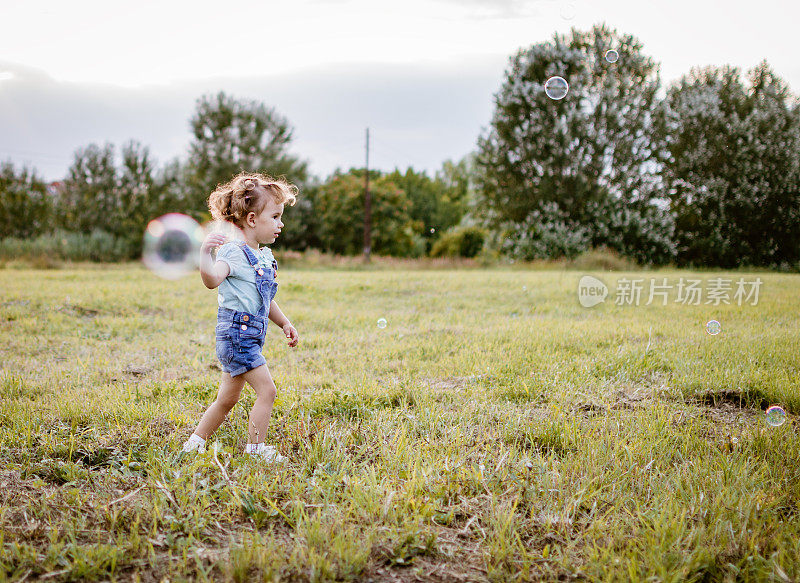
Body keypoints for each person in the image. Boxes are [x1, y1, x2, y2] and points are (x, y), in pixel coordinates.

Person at [182, 172, 300, 463]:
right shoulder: (233, 253)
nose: (280, 223)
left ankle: (194, 444)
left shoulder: (263, 257)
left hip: (248, 337)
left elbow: (265, 299)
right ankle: (256, 450)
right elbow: (212, 280)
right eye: (274, 217)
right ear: (251, 220)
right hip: (237, 337)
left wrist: (284, 322)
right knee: (268, 391)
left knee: (227, 399)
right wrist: (205, 253)